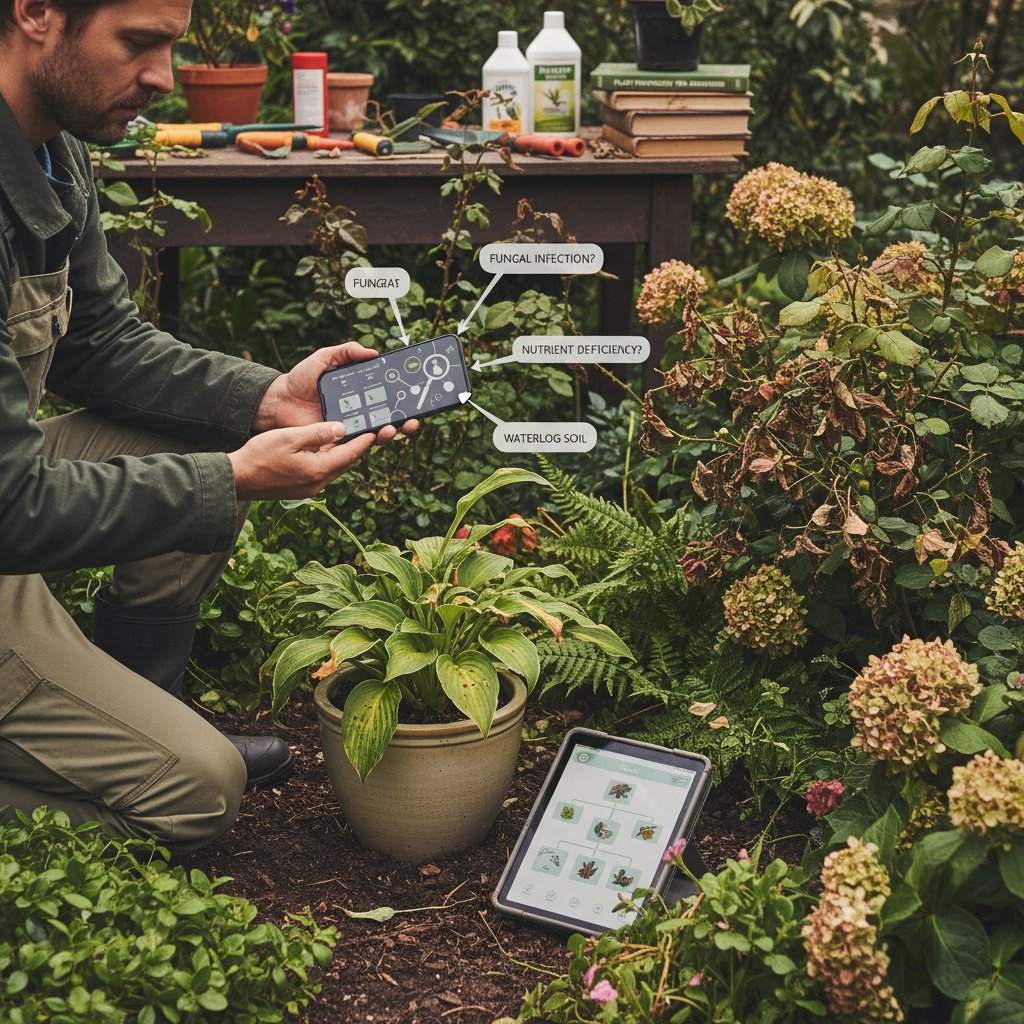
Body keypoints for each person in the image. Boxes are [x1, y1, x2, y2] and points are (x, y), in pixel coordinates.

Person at [0, 0, 418, 852]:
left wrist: (270, 401)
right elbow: (12, 508)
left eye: (170, 46)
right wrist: (236, 479)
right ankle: (126, 758)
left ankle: (133, 718)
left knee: (199, 451)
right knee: (199, 794)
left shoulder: (52, 149)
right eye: (139, 44)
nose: (162, 79)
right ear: (36, 12)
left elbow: (101, 344)